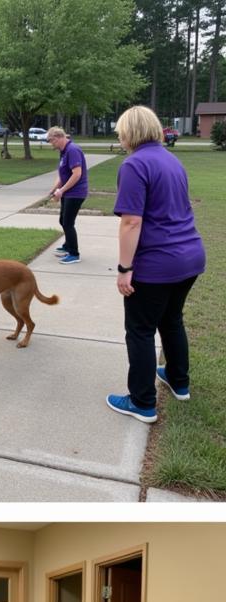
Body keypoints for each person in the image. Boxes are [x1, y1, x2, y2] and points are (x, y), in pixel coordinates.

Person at [106, 105, 205, 425]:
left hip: (157, 264)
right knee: (171, 320)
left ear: (129, 132)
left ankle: (142, 402)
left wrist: (124, 269)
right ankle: (179, 381)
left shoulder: (134, 164)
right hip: (190, 257)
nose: (119, 137)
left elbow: (131, 222)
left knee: (140, 330)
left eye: (121, 131)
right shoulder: (171, 159)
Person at [47, 127, 88, 265]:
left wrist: (62, 190)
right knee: (62, 220)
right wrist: (53, 190)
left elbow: (77, 174)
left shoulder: (73, 150)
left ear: (58, 137)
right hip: (68, 192)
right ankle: (67, 246)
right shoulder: (63, 152)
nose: (50, 144)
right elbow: (62, 174)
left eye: (51, 141)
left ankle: (74, 254)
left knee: (68, 223)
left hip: (76, 193)